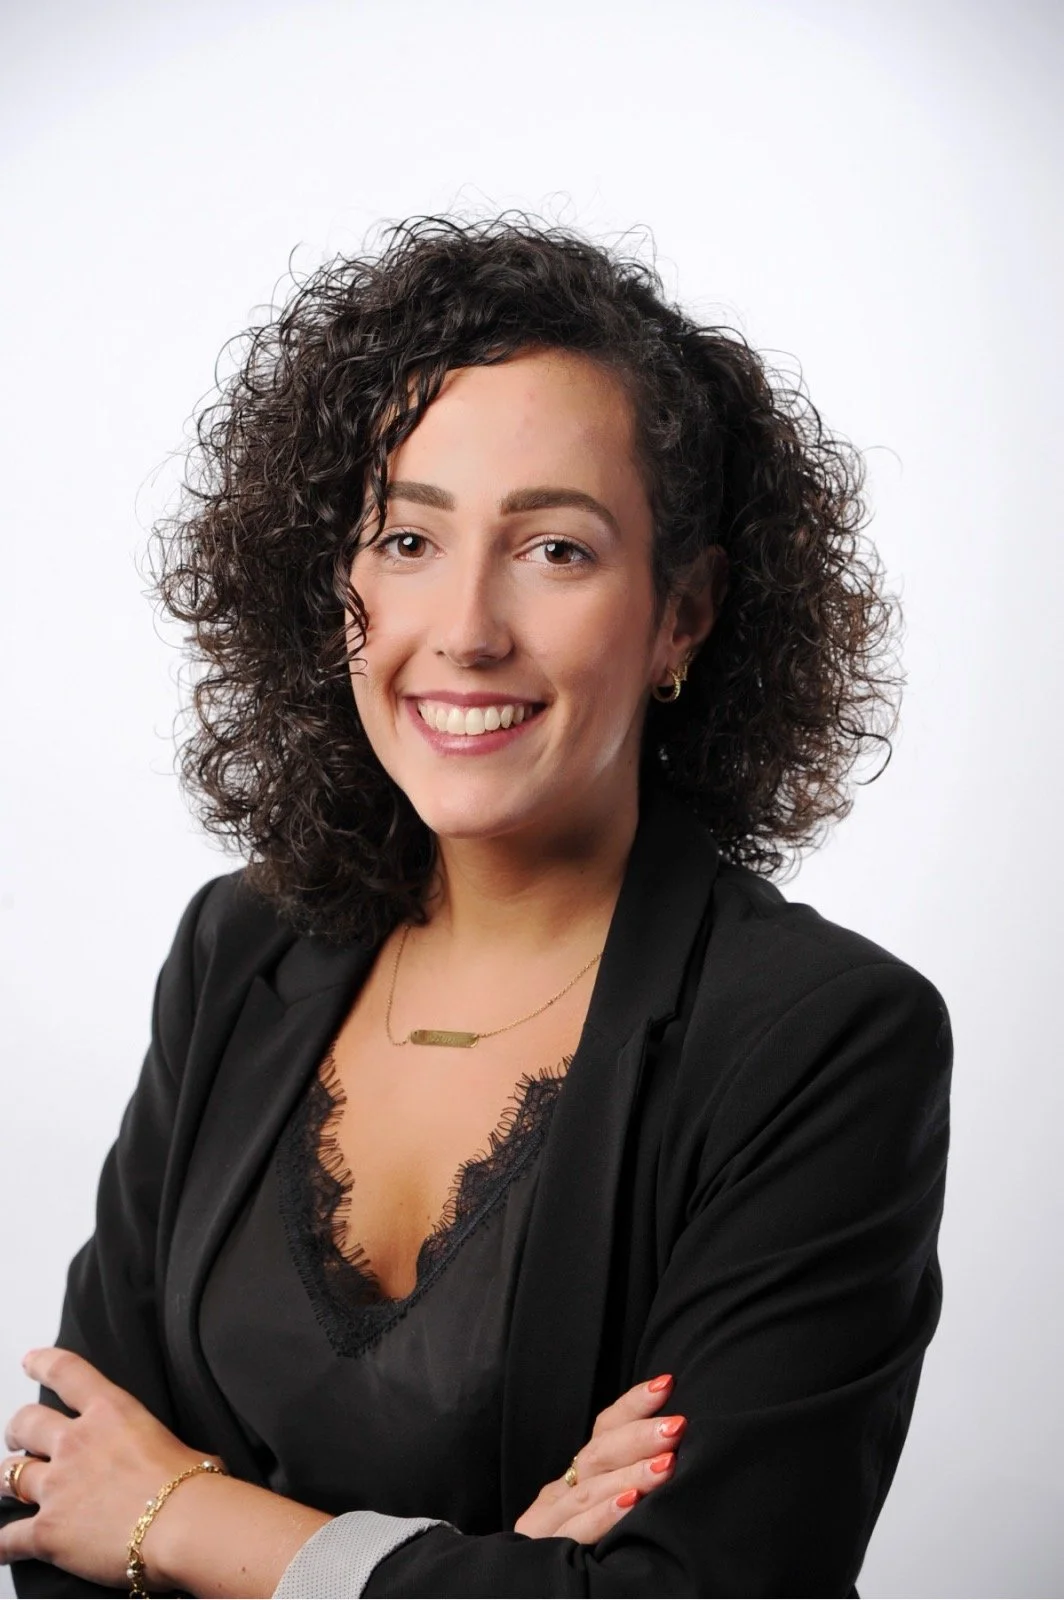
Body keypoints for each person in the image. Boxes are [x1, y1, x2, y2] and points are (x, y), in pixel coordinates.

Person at [0, 214, 953, 1598]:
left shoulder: (821, 1040)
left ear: (682, 610)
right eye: (405, 538)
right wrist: (496, 1572)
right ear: (336, 582)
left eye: (556, 550)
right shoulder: (236, 951)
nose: (464, 630)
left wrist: (193, 1523)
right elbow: (55, 1507)